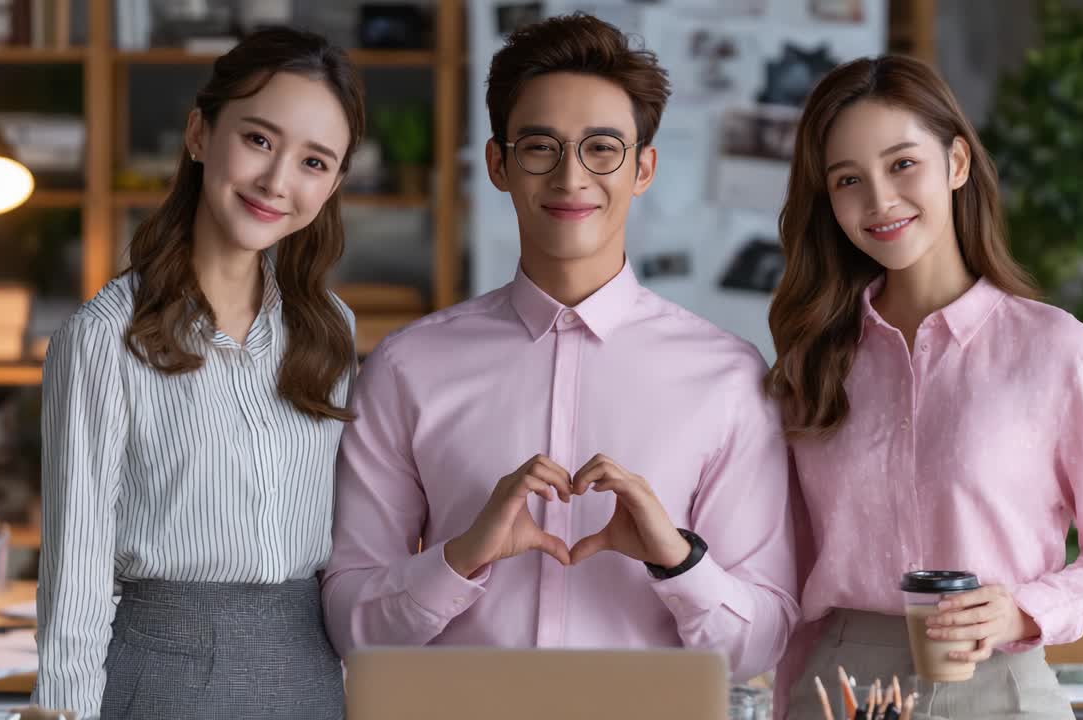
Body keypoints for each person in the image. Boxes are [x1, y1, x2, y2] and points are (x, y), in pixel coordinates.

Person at [322, 13, 798, 681]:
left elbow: (762, 643)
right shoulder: (407, 368)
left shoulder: (727, 377)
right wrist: (461, 558)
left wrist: (677, 560)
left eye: (602, 147)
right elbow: (350, 624)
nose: (571, 178)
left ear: (643, 168)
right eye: (541, 146)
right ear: (499, 164)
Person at [767, 55, 1083, 719]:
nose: (880, 201)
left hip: (998, 687)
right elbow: (793, 576)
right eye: (847, 180)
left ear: (955, 164)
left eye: (902, 164)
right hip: (837, 686)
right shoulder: (812, 363)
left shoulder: (1054, 350)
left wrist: (1025, 609)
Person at [35, 27, 363, 719]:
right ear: (198, 135)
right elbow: (75, 578)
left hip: (312, 677)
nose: (278, 182)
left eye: (314, 160)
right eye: (258, 140)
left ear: (334, 182)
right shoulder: (102, 339)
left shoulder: (330, 329)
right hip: (165, 682)